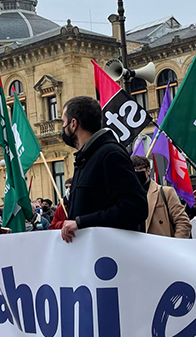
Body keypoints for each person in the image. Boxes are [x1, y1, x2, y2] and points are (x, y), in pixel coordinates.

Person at [59, 96, 148, 243]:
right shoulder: (85, 158)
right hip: (90, 250)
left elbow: (134, 208)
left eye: (64, 122)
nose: (63, 128)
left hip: (109, 251)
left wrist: (82, 222)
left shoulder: (110, 155)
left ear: (73, 124)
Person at [130, 156, 191, 238]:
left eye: (140, 169)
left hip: (160, 244)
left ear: (148, 170)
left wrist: (175, 243)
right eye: (133, 170)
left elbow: (182, 222)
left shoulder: (166, 192)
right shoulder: (128, 196)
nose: (137, 173)